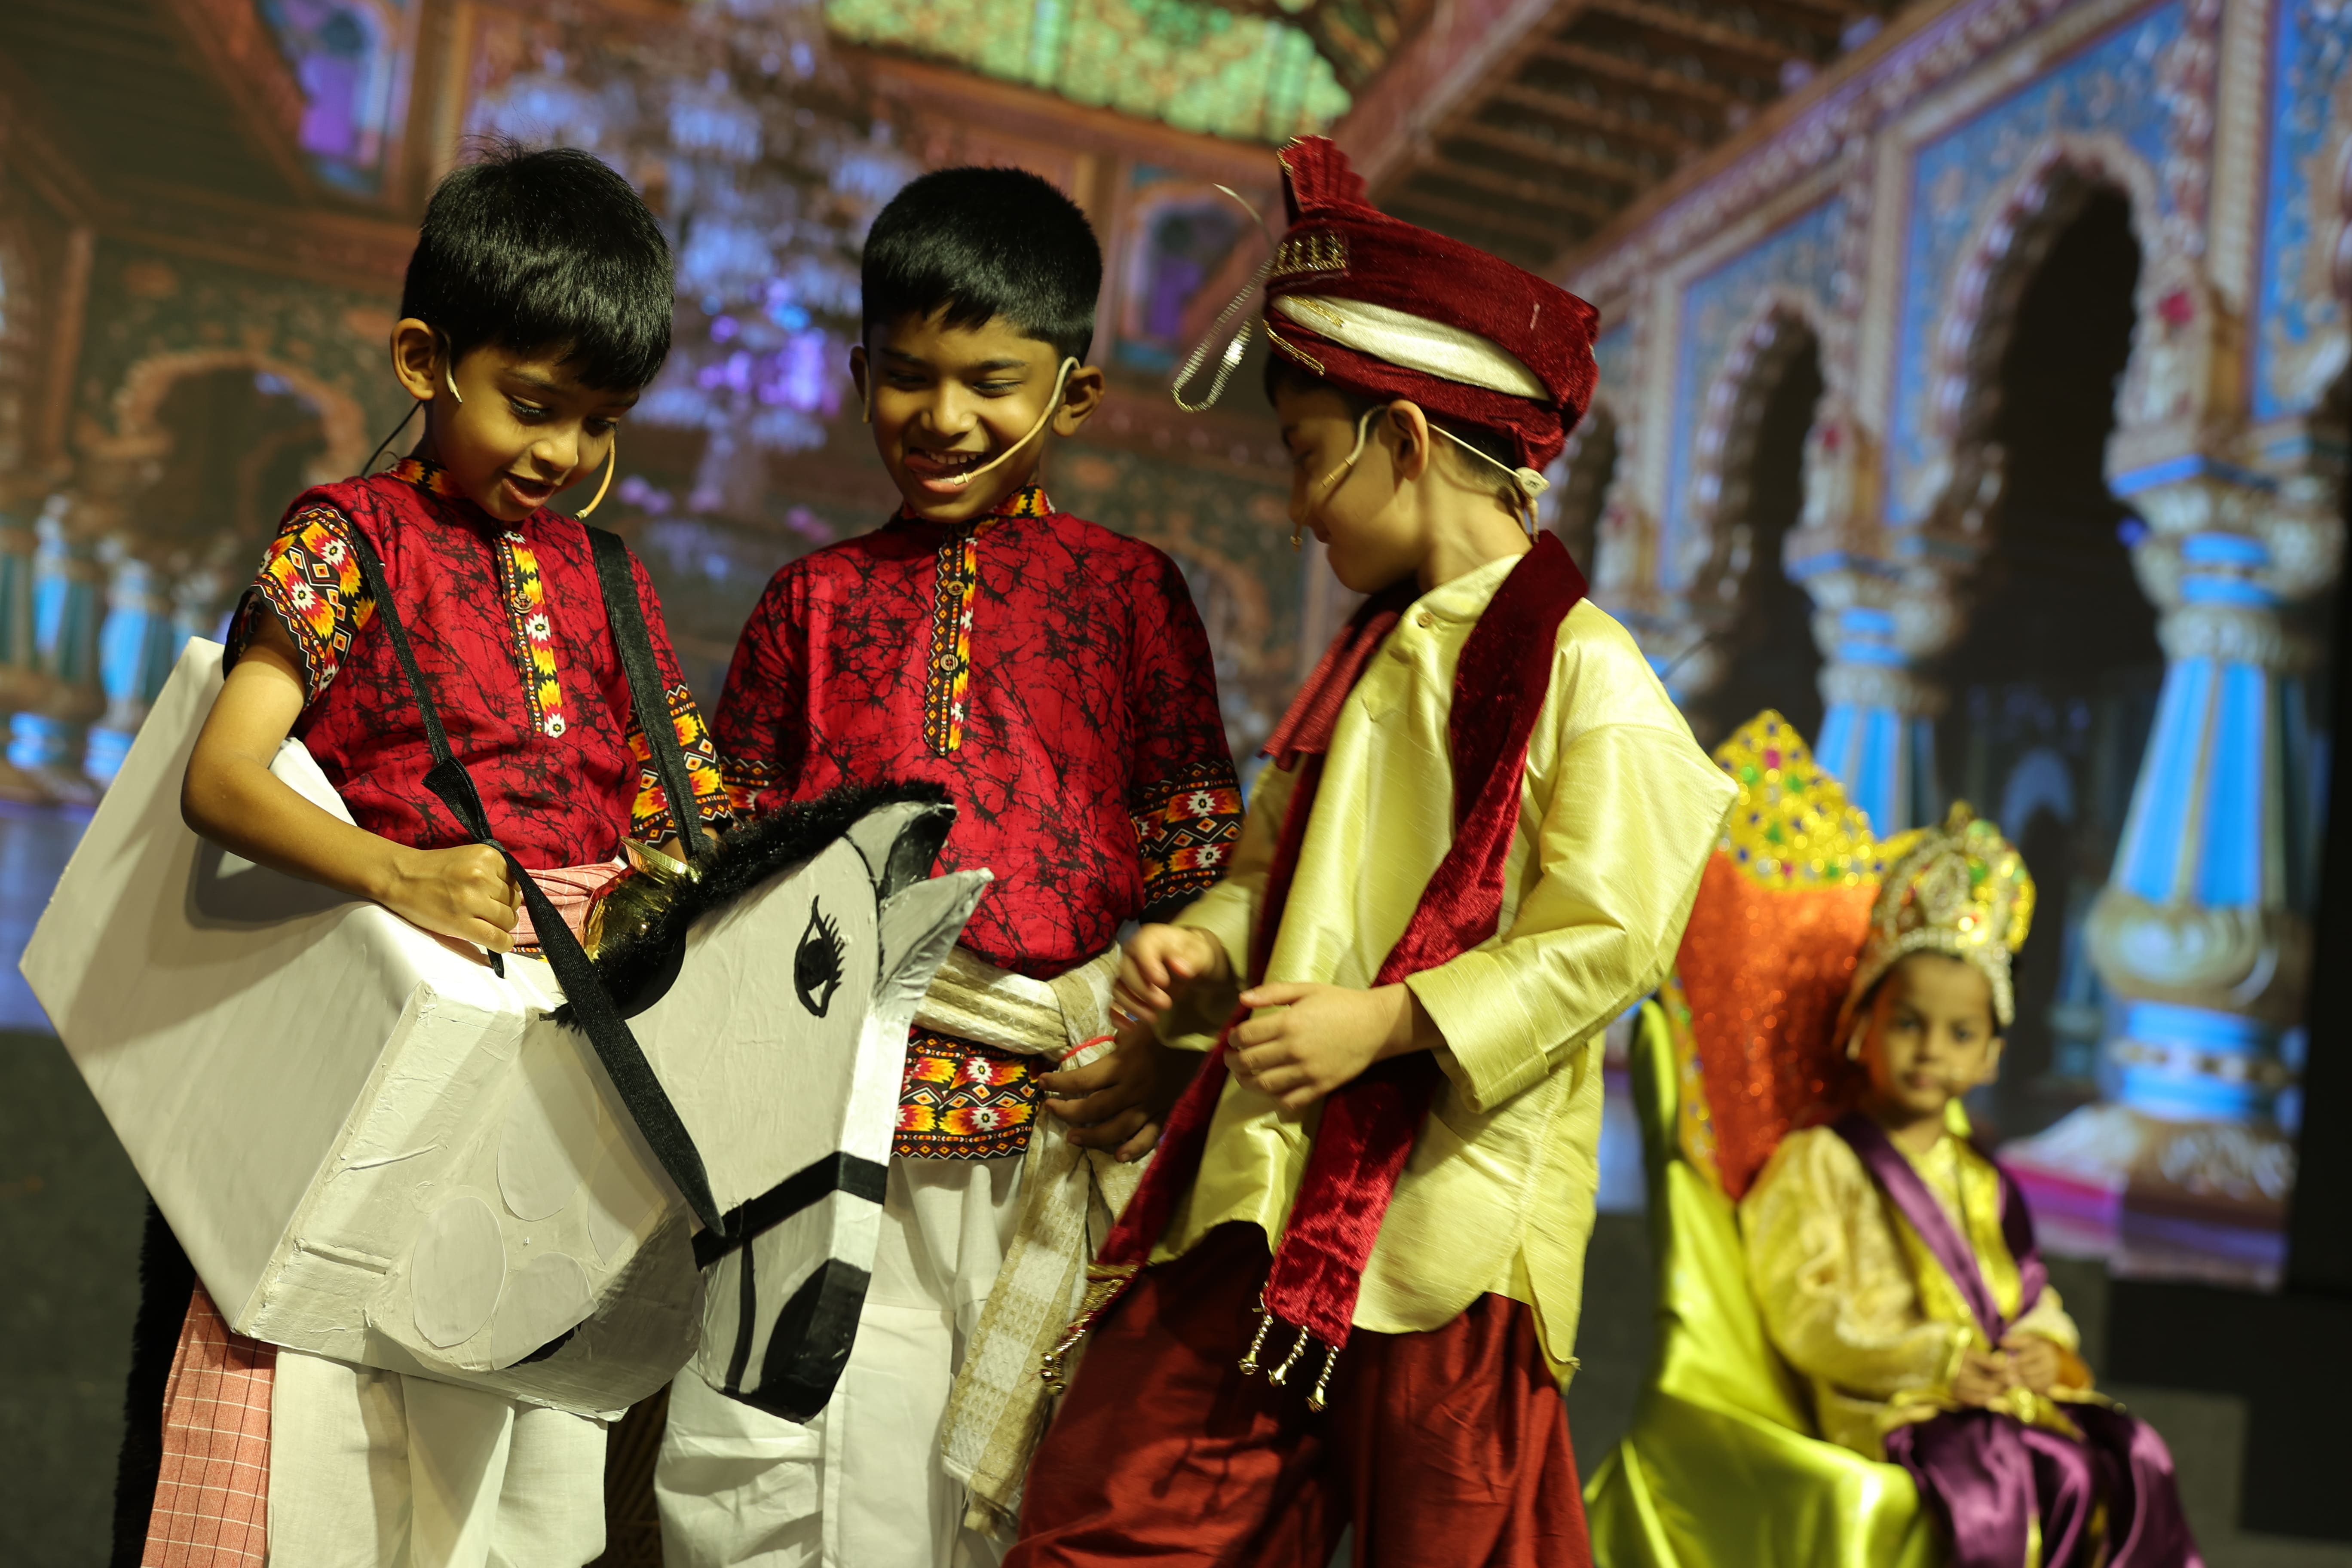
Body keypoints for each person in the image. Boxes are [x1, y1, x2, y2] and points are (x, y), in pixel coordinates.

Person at [1004, 135, 1738, 1568]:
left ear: (1400, 438)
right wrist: (1205, 946)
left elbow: (1606, 941)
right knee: (1108, 1526)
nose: (1295, 507)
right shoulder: (1367, 651)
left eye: (1305, 457)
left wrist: (1387, 1023)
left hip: (1453, 1225)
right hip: (1263, 1184)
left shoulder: (1593, 676)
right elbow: (1271, 875)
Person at [146, 141, 729, 1568]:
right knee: (319, 1434)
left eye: (599, 422)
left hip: (559, 1080)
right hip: (378, 1050)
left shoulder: (608, 577)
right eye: (533, 404)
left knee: (519, 1456)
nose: (564, 453)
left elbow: (688, 812)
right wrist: (400, 872)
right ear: (425, 360)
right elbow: (222, 778)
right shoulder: (348, 538)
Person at [657, 166, 1243, 1567]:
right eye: (910, 378)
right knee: (773, 1482)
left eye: (991, 382)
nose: (943, 417)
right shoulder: (811, 602)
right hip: (816, 1129)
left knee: (991, 1504)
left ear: (1075, 395)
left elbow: (1200, 868)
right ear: (860, 375)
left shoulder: (1132, 596)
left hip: (1051, 1135)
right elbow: (735, 865)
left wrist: (1167, 1058)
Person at [1741, 805, 2201, 1567]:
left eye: (1960, 1034)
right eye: (1907, 1024)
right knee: (2046, 1477)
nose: (1931, 1051)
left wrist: (2044, 1352)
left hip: (1991, 1396)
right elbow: (1805, 1311)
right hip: (1896, 1402)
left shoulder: (1981, 1178)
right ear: (1861, 1025)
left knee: (2131, 1455)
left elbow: (2027, 1295)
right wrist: (1939, 1362)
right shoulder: (1821, 1161)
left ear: (1991, 1055)